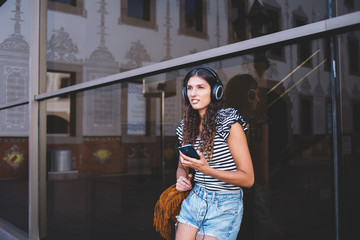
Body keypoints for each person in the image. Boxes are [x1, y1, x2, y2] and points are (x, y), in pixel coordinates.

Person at [175, 66, 255, 240]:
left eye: (200, 87)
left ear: (215, 92)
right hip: (195, 199)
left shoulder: (229, 123)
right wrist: (181, 179)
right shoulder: (185, 126)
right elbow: (181, 167)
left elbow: (248, 179)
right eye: (189, 88)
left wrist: (207, 170)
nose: (193, 93)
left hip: (224, 204)